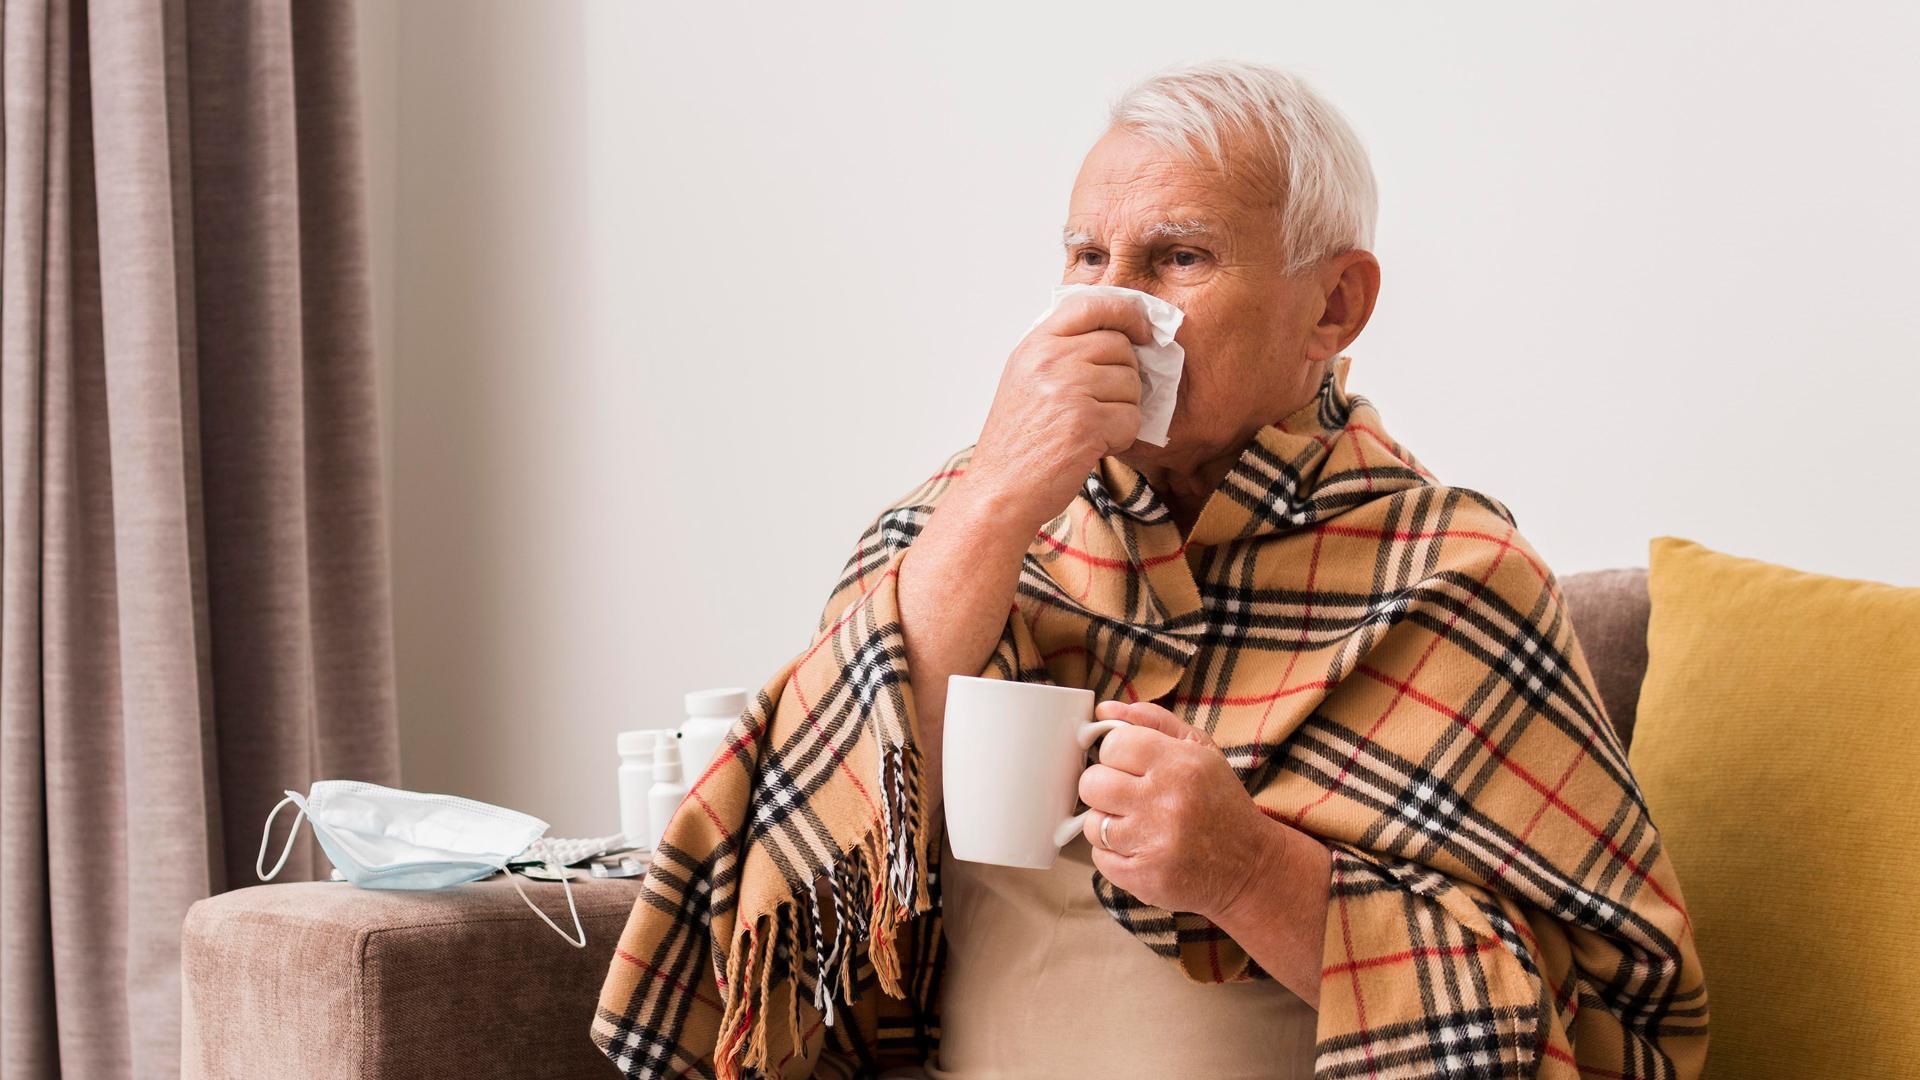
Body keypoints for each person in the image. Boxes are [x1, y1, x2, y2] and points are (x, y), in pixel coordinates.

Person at [594, 60, 1708, 1080]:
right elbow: (789, 862)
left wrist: (1250, 872)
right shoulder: (957, 525)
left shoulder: (1458, 577)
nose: (1111, 310)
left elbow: (1598, 1025)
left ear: (1334, 305)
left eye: (1179, 258)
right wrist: (998, 495)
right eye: (1086, 259)